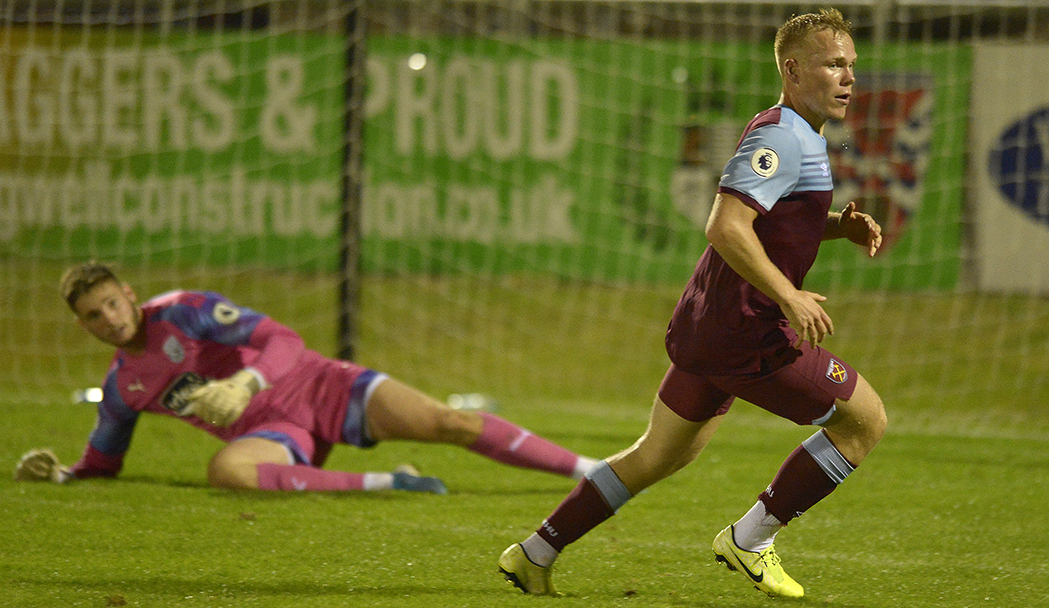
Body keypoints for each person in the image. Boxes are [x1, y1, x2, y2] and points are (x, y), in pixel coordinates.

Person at [498, 7, 886, 599]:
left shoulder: (800, 133)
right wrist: (789, 295)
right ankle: (751, 540)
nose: (848, 77)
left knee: (656, 456)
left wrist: (838, 227)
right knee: (864, 420)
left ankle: (535, 551)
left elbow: (776, 221)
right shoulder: (780, 135)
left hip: (711, 325)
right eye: (834, 64)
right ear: (793, 68)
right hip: (746, 330)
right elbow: (726, 226)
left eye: (851, 65)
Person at [13, 262, 598, 494]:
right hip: (277, 433)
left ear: (130, 296)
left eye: (113, 304)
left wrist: (244, 384)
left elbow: (284, 341)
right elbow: (103, 461)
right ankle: (391, 484)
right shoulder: (123, 388)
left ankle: (590, 472)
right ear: (81, 325)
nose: (109, 320)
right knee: (227, 472)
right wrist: (61, 475)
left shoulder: (185, 311)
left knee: (450, 421)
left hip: (323, 386)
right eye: (93, 315)